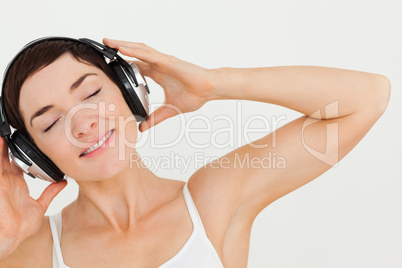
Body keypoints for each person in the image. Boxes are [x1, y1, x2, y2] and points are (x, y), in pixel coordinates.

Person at [0, 37, 391, 268]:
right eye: (49, 124)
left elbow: (366, 99)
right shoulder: (30, 250)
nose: (81, 124)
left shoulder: (213, 200)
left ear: (130, 91)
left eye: (91, 93)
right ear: (33, 156)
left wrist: (213, 83)